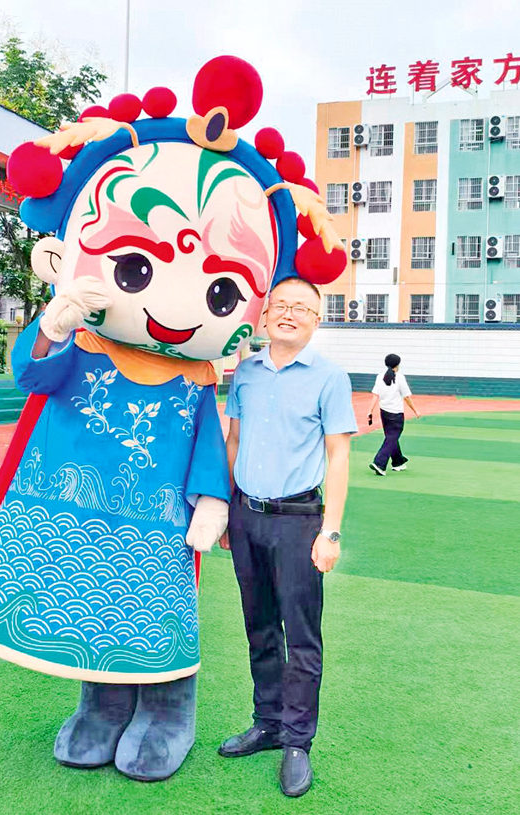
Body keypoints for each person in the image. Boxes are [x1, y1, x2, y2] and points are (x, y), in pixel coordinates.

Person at [219, 277, 357, 798]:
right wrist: (228, 509)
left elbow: (339, 455)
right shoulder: (246, 373)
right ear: (265, 314)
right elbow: (234, 439)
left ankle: (298, 741)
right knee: (258, 626)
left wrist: (330, 531)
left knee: (301, 636)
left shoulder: (330, 377)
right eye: (281, 305)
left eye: (302, 308)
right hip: (246, 516)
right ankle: (268, 723)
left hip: (300, 520)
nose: (289, 314)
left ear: (317, 320)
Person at [368, 353, 420, 476]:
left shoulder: (379, 377)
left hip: (384, 413)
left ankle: (398, 462)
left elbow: (375, 395)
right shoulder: (400, 378)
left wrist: (370, 410)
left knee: (391, 437)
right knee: (392, 438)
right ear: (397, 365)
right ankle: (379, 463)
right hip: (396, 414)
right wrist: (415, 410)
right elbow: (406, 397)